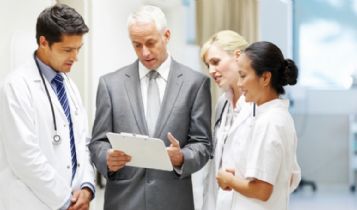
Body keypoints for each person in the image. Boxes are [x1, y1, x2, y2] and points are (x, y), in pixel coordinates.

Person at [89, 5, 212, 210]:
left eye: (150, 43)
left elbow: (203, 144)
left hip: (172, 202)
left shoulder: (195, 84)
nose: (144, 52)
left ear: (166, 35)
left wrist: (182, 157)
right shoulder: (110, 85)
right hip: (124, 201)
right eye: (136, 45)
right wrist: (106, 157)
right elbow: (97, 142)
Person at [0, 4, 95, 210]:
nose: (75, 57)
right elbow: (25, 158)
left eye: (78, 49)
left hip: (75, 202)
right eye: (67, 50)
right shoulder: (16, 87)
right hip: (34, 203)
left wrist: (86, 188)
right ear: (44, 42)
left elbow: (83, 144)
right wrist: (65, 201)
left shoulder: (69, 86)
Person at [216, 41, 301, 210]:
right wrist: (239, 175)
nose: (239, 84)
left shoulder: (270, 122)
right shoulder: (274, 115)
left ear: (265, 78)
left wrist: (230, 181)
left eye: (243, 76)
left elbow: (262, 190)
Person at [199, 30, 253, 210]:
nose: (211, 71)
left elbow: (288, 174)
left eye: (215, 62)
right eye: (208, 65)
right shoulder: (222, 104)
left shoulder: (259, 104)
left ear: (237, 56)